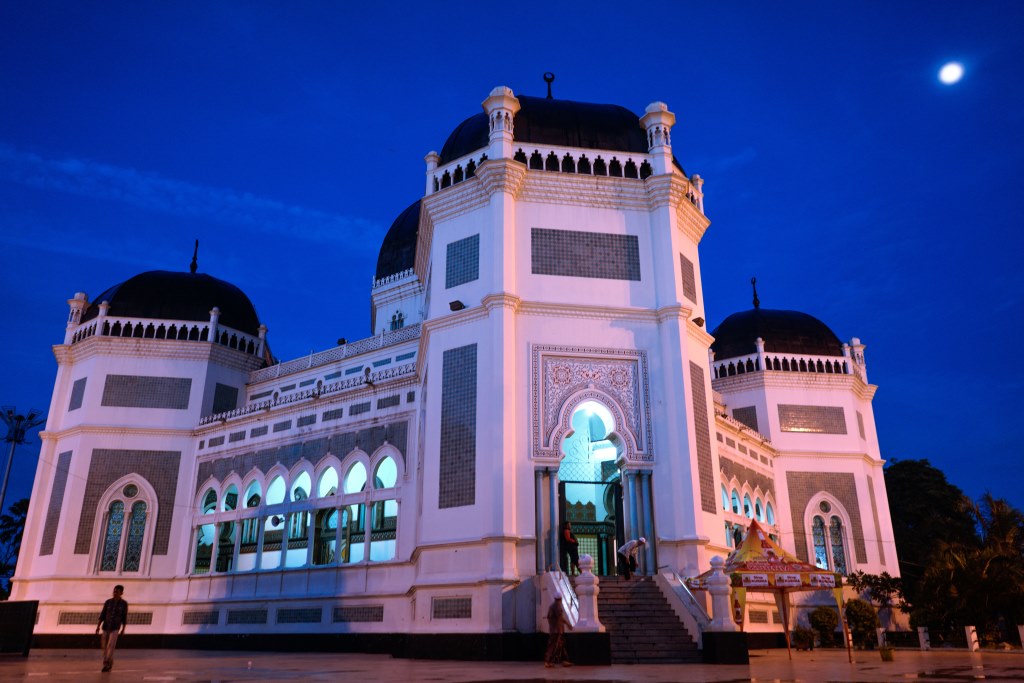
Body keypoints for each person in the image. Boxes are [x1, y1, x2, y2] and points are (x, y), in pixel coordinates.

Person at [96, 584, 128, 672]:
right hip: (105, 627)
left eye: (117, 592)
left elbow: (124, 617)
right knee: (104, 646)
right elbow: (102, 614)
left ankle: (106, 664)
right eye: (114, 591)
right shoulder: (108, 602)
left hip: (115, 628)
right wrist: (98, 627)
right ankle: (110, 661)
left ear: (121, 593)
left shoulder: (124, 604)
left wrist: (123, 629)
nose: (115, 593)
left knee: (110, 646)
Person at [544, 592, 573, 667]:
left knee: (561, 645)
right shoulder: (557, 606)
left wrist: (552, 626)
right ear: (560, 599)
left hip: (554, 630)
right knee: (553, 645)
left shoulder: (551, 606)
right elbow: (560, 617)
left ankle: (564, 660)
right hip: (557, 630)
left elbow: (548, 617)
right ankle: (548, 662)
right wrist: (568, 624)